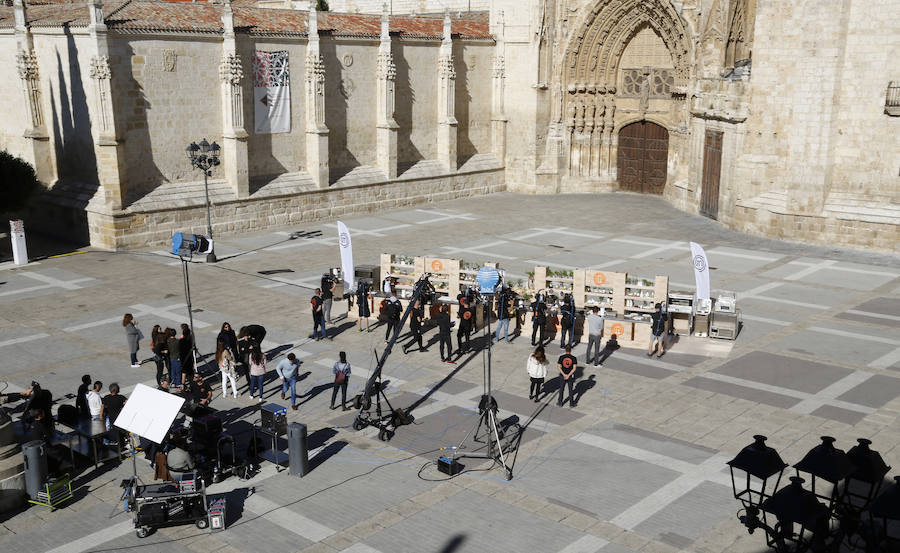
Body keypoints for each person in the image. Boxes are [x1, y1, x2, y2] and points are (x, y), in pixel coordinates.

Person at [100, 383, 128, 449]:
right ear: (116, 390)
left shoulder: (106, 397)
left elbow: (102, 407)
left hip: (111, 419)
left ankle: (119, 445)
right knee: (122, 433)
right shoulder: (120, 397)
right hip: (120, 419)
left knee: (116, 432)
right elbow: (128, 402)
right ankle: (122, 445)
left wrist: (100, 416)